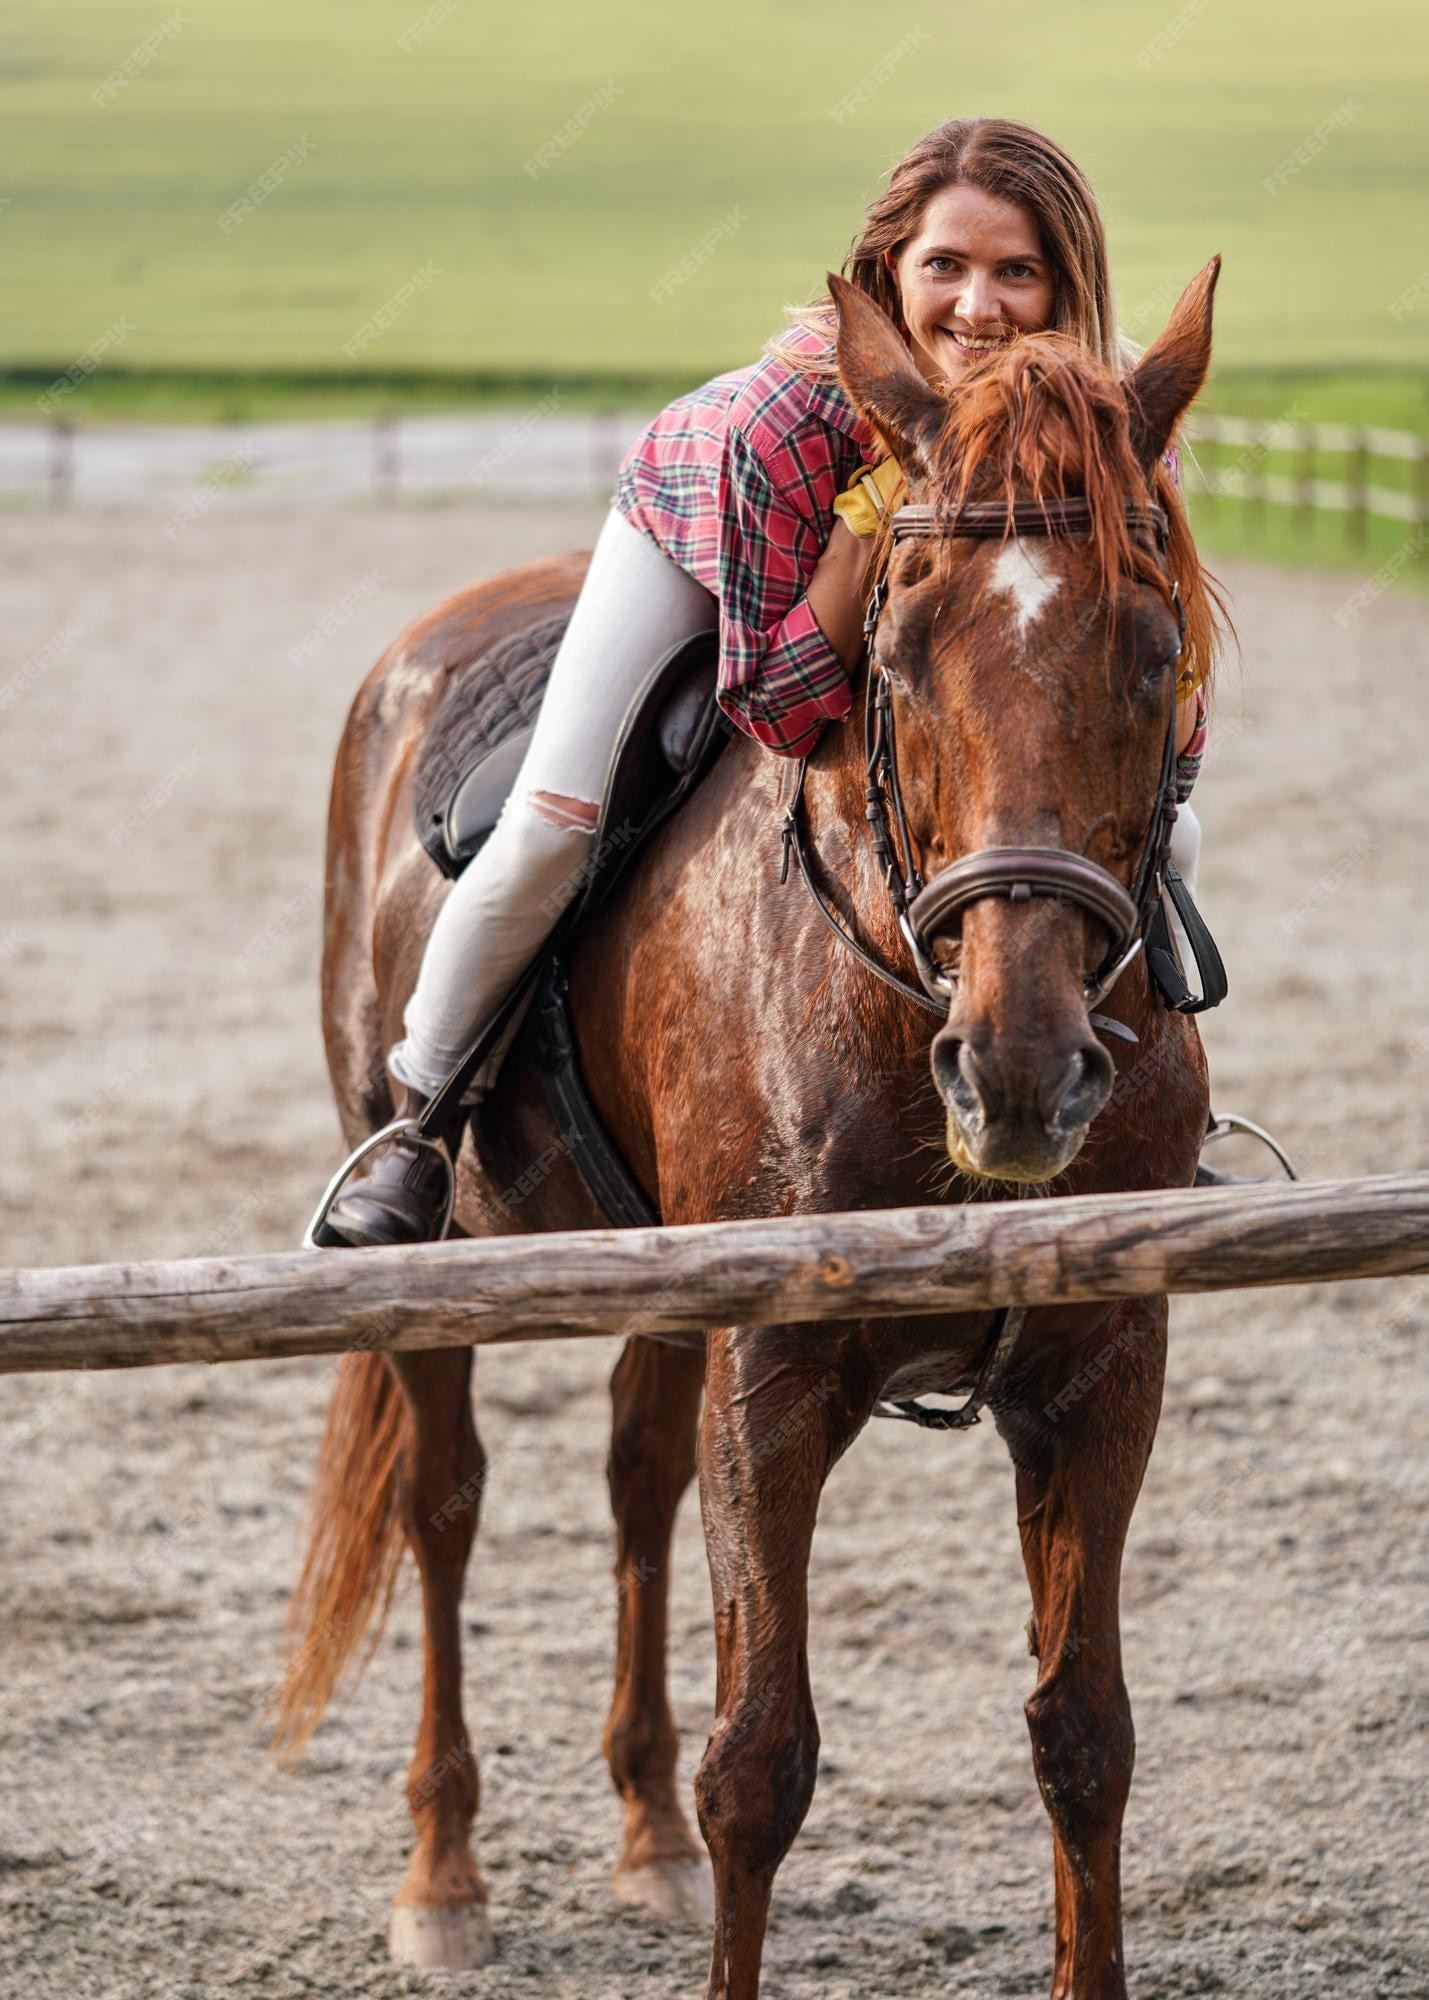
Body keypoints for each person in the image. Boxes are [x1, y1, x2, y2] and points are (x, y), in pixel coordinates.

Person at [318, 116, 1213, 1249]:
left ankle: (1170, 1110)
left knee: (1171, 839)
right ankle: (418, 1120)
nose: (977, 307)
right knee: (553, 824)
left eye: (1016, 272)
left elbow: (1164, 715)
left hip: (932, 587)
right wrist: (863, 539)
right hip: (704, 534)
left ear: (1064, 286)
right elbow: (783, 707)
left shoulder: (1114, 431)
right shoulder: (780, 425)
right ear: (892, 269)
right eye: (946, 265)